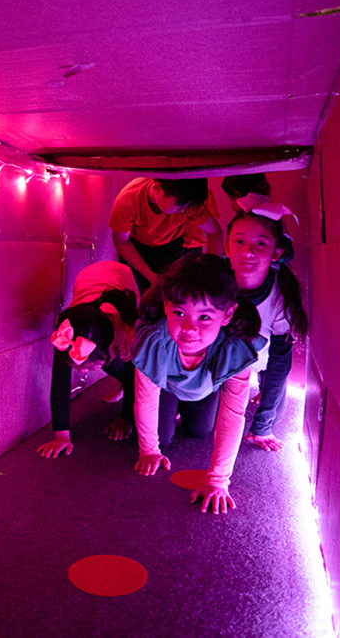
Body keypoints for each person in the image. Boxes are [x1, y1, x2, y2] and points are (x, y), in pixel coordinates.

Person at [130, 253, 263, 514]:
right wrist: (149, 450)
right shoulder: (156, 341)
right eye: (179, 313)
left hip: (205, 387)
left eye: (204, 317)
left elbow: (234, 413)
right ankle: (171, 411)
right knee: (164, 440)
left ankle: (189, 408)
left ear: (227, 315)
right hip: (166, 385)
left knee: (200, 430)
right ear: (167, 306)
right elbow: (145, 398)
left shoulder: (233, 347)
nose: (189, 329)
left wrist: (218, 480)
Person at [224, 195, 309, 453]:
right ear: (226, 248)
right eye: (239, 241)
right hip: (223, 360)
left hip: (261, 359)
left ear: (276, 253)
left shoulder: (279, 297)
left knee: (275, 407)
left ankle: (262, 398)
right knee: (200, 426)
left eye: (260, 244)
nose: (248, 251)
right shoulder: (215, 285)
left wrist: (263, 425)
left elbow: (279, 362)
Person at [37, 261, 140, 459]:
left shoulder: (127, 328)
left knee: (126, 362)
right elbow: (60, 383)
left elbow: (135, 372)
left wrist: (125, 418)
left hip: (121, 277)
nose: (82, 372)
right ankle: (120, 380)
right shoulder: (67, 336)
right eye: (81, 367)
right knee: (105, 362)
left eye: (87, 366)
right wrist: (61, 435)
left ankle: (122, 384)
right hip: (88, 280)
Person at [108, 177, 222, 293]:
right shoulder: (128, 201)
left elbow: (214, 232)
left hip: (173, 245)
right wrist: (151, 276)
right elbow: (121, 242)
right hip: (136, 249)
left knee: (173, 294)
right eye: (179, 207)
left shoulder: (185, 202)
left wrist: (211, 274)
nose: (183, 211)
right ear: (157, 189)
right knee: (137, 294)